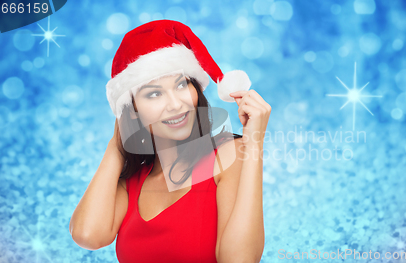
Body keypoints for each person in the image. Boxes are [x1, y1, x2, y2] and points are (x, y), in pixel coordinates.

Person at [69, 19, 271, 263]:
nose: (176, 104)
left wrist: (254, 144)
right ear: (132, 111)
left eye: (182, 84)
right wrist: (116, 144)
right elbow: (87, 236)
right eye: (154, 93)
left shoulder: (227, 154)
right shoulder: (131, 183)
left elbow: (240, 259)